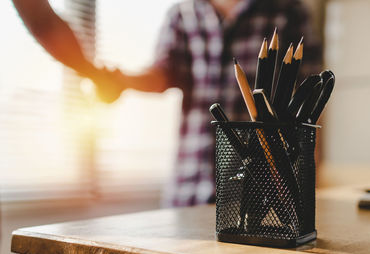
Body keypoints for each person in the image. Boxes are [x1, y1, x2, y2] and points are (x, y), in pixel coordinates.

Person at [12, 0, 322, 207]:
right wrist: (119, 79)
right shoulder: (183, 12)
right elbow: (162, 75)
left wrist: (309, 178)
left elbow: (310, 100)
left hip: (262, 197)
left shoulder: (288, 11)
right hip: (188, 190)